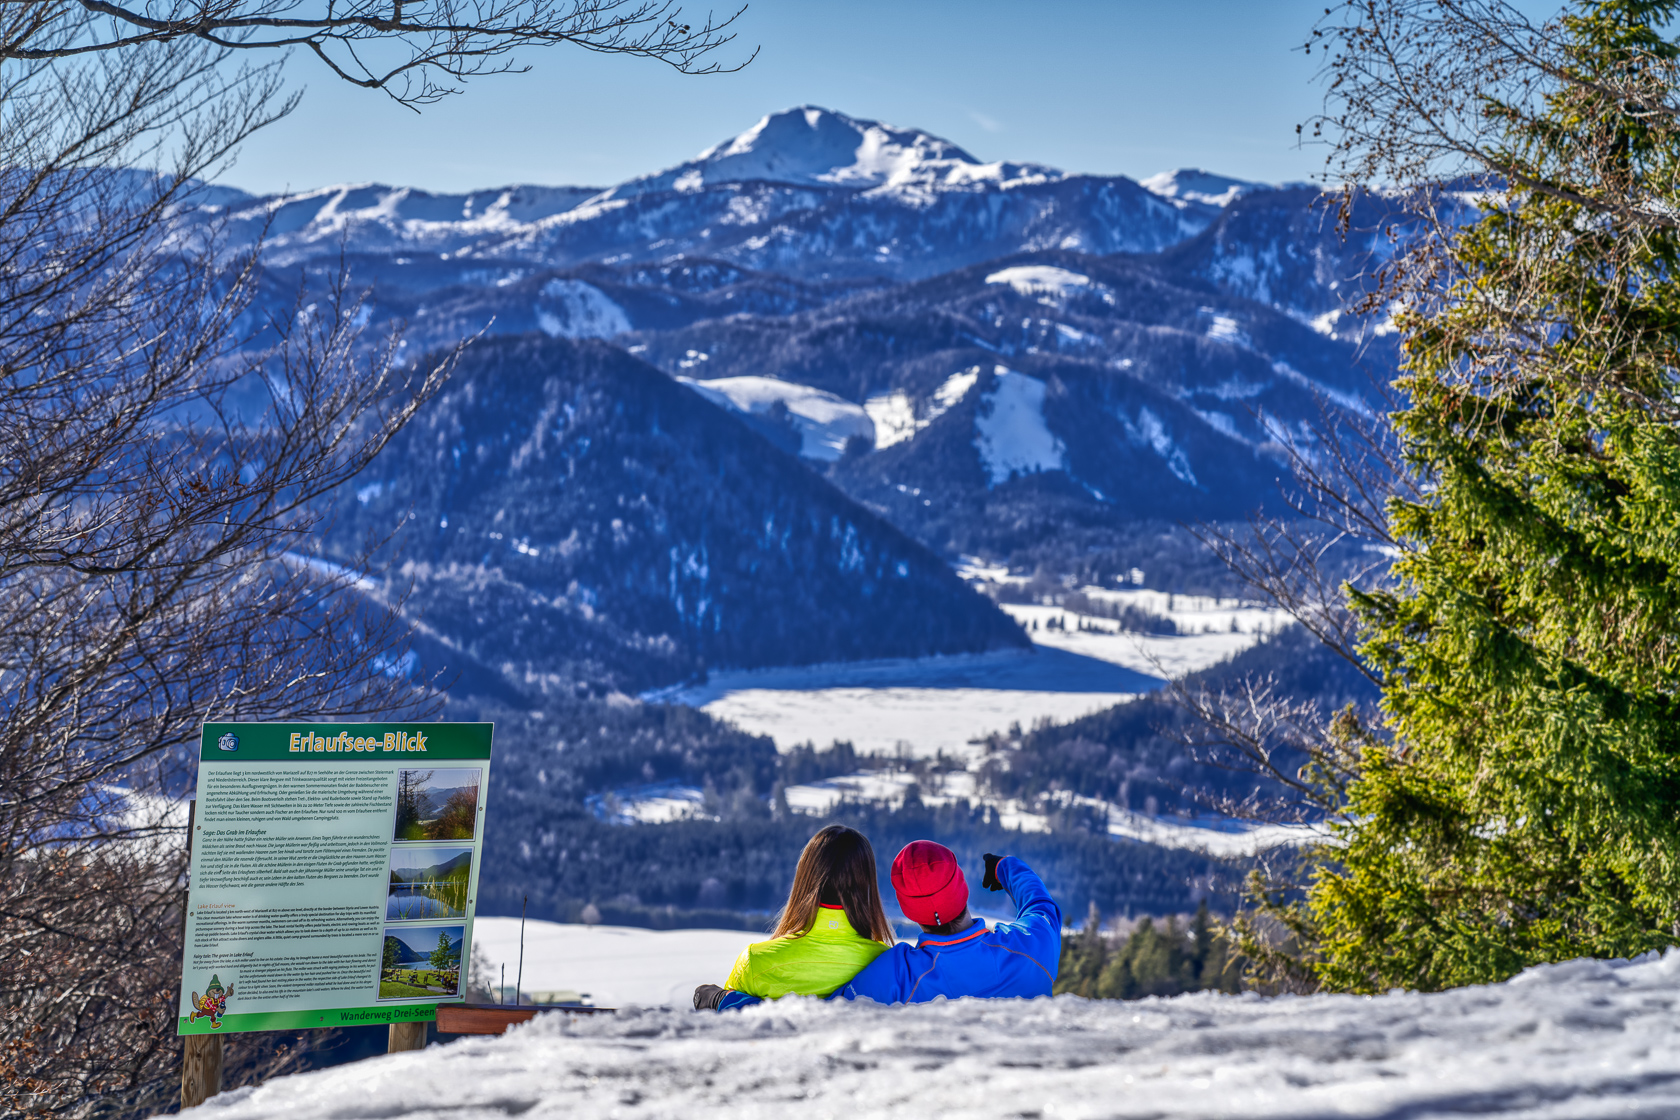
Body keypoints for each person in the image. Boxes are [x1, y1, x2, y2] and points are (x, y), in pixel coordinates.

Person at [830, 841, 1061, 1004]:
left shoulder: (895, 974)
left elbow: (829, 1014)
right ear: (963, 887)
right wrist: (1005, 867)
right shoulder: (1030, 948)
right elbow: (1041, 906)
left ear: (909, 911)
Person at [693, 824, 894, 1010]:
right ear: (868, 887)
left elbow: (732, 1029)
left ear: (804, 882)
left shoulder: (755, 961)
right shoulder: (887, 964)